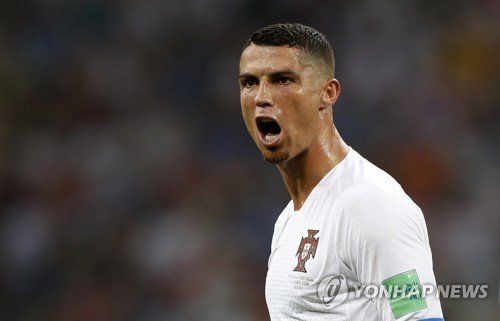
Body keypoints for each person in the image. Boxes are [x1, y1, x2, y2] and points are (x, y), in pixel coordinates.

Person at [238, 23, 444, 321]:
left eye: (282, 80)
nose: (261, 97)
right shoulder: (290, 219)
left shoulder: (370, 205)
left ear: (328, 93)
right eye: (249, 83)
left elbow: (419, 317)